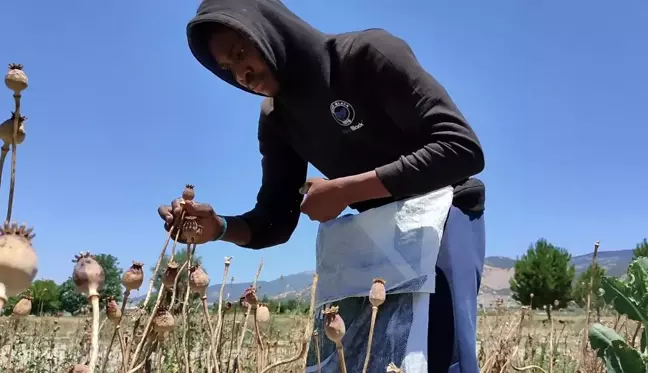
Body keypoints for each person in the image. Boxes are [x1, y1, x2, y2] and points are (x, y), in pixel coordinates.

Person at [158, 0, 486, 372]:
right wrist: (219, 228)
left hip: (444, 217)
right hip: (377, 239)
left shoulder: (366, 55)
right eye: (228, 69)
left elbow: (461, 149)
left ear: (270, 29)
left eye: (241, 53)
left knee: (441, 357)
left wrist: (345, 192)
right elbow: (275, 219)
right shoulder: (277, 118)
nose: (241, 75)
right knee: (370, 361)